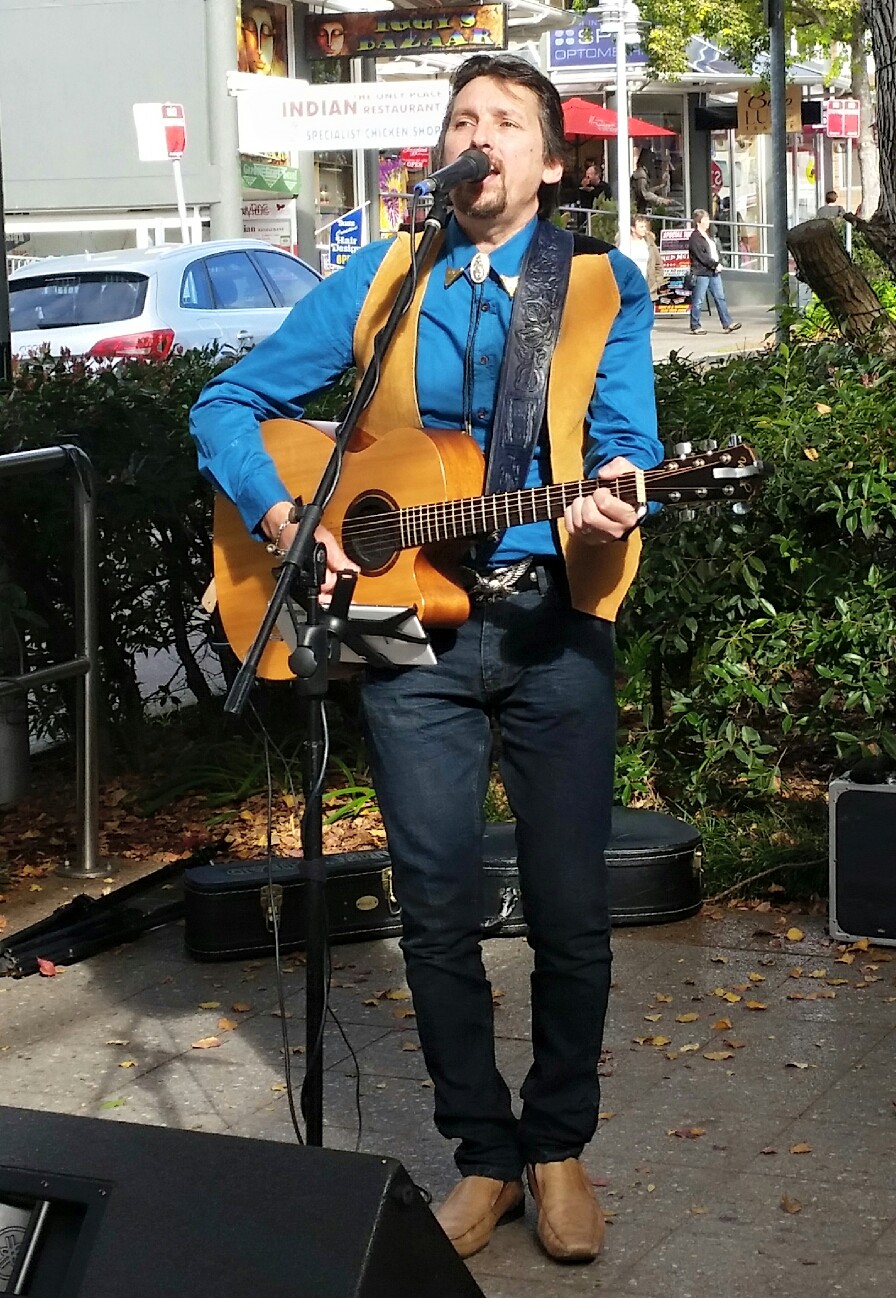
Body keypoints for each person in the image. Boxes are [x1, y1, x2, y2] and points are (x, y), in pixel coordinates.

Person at [190, 52, 662, 1267]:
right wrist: (285, 517)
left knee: (569, 910)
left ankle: (556, 1146)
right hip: (412, 635)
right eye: (459, 119)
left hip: (553, 624)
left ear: (548, 162)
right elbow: (225, 404)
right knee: (436, 910)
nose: (475, 136)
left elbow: (625, 443)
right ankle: (483, 1155)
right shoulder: (387, 274)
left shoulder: (598, 281)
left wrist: (609, 504)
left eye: (502, 120)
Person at [687, 208, 741, 336]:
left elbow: (715, 251)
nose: (708, 222)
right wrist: (715, 264)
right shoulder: (695, 237)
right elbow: (702, 256)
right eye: (705, 219)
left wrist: (719, 262)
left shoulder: (708, 236)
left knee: (720, 297)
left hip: (713, 272)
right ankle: (695, 325)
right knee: (698, 300)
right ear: (698, 221)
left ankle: (727, 323)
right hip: (702, 272)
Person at [626, 214, 663, 313]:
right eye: (641, 227)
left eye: (645, 226)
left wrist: (657, 282)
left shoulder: (650, 243)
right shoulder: (624, 243)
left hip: (648, 287)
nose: (644, 229)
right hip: (630, 287)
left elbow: (658, 264)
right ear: (633, 228)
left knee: (647, 317)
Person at [630, 149, 667, 213]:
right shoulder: (641, 175)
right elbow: (644, 193)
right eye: (652, 162)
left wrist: (659, 187)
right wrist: (660, 200)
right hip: (635, 210)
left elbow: (646, 190)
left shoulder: (643, 173)